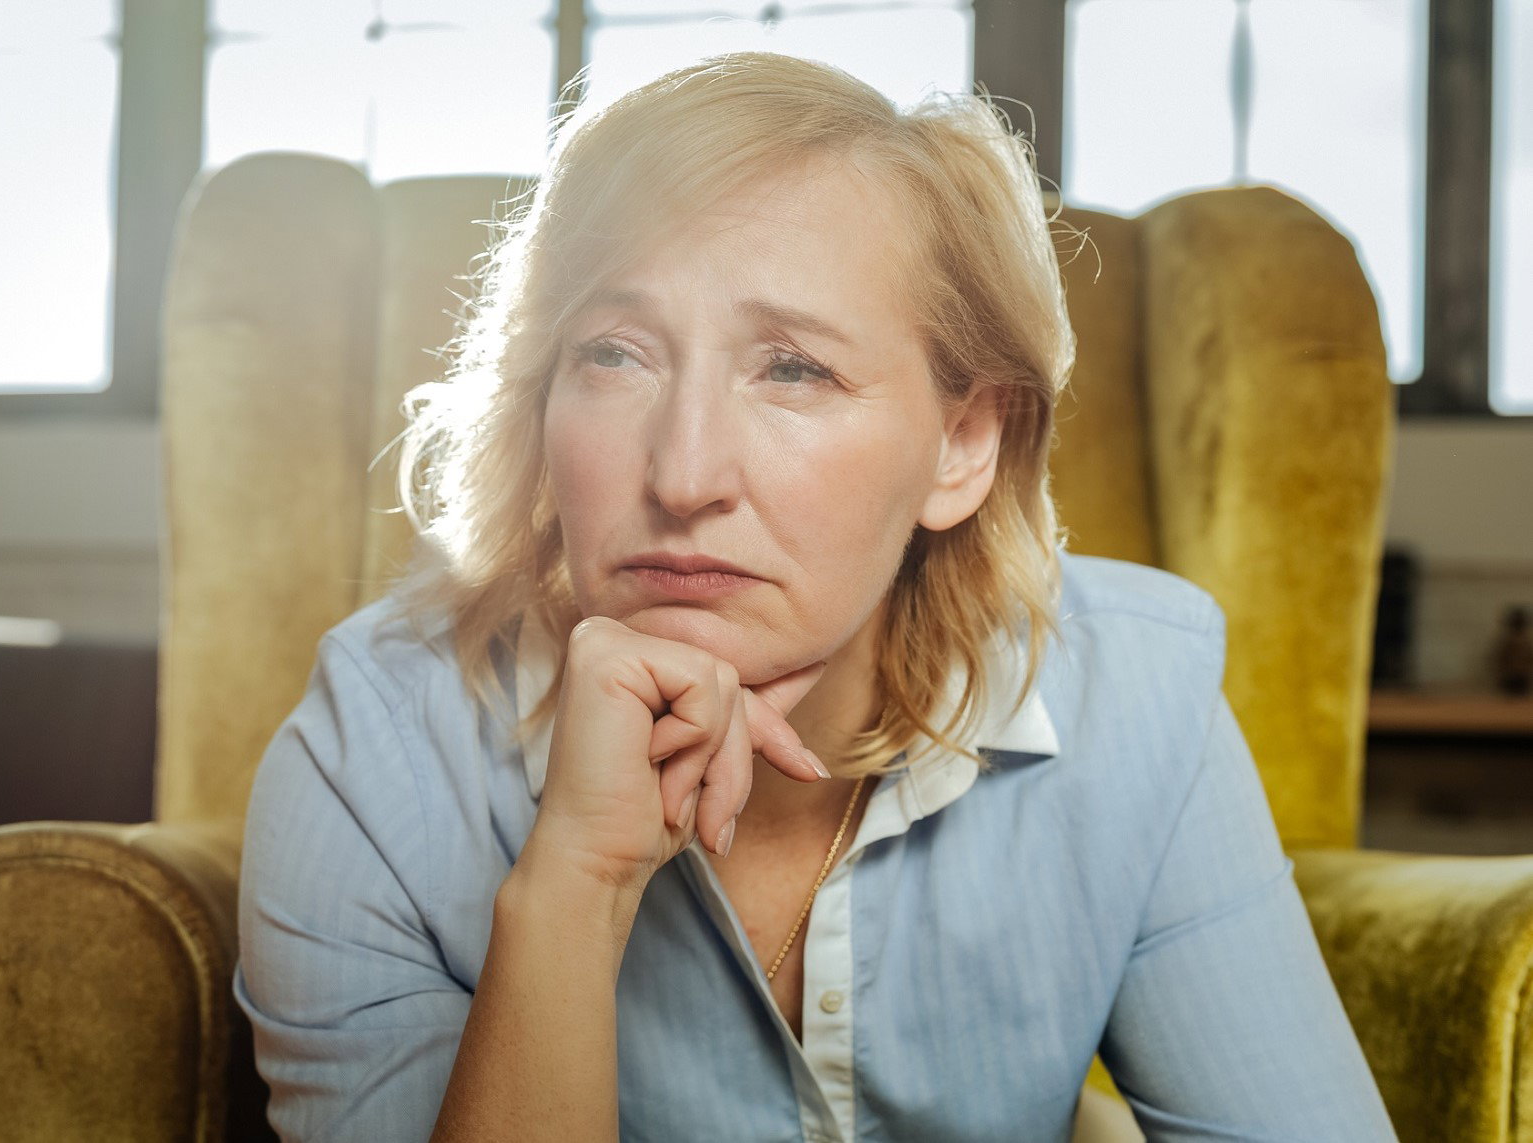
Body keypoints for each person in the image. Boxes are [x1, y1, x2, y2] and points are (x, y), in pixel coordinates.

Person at [232, 51, 1398, 1143]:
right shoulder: (373, 751)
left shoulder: (1135, 692)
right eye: (612, 353)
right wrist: (574, 886)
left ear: (959, 444)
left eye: (792, 369)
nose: (683, 477)